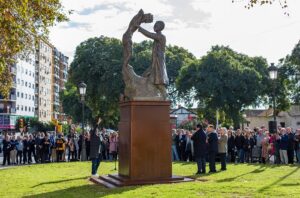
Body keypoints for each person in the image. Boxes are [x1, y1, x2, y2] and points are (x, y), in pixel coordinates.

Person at [138, 21, 169, 99]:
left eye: (157, 25)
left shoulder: (161, 37)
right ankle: (150, 94)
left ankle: (164, 96)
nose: (154, 26)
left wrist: (140, 28)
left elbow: (150, 35)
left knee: (158, 81)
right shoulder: (157, 38)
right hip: (155, 62)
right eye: (154, 25)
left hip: (158, 62)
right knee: (145, 76)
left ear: (161, 27)